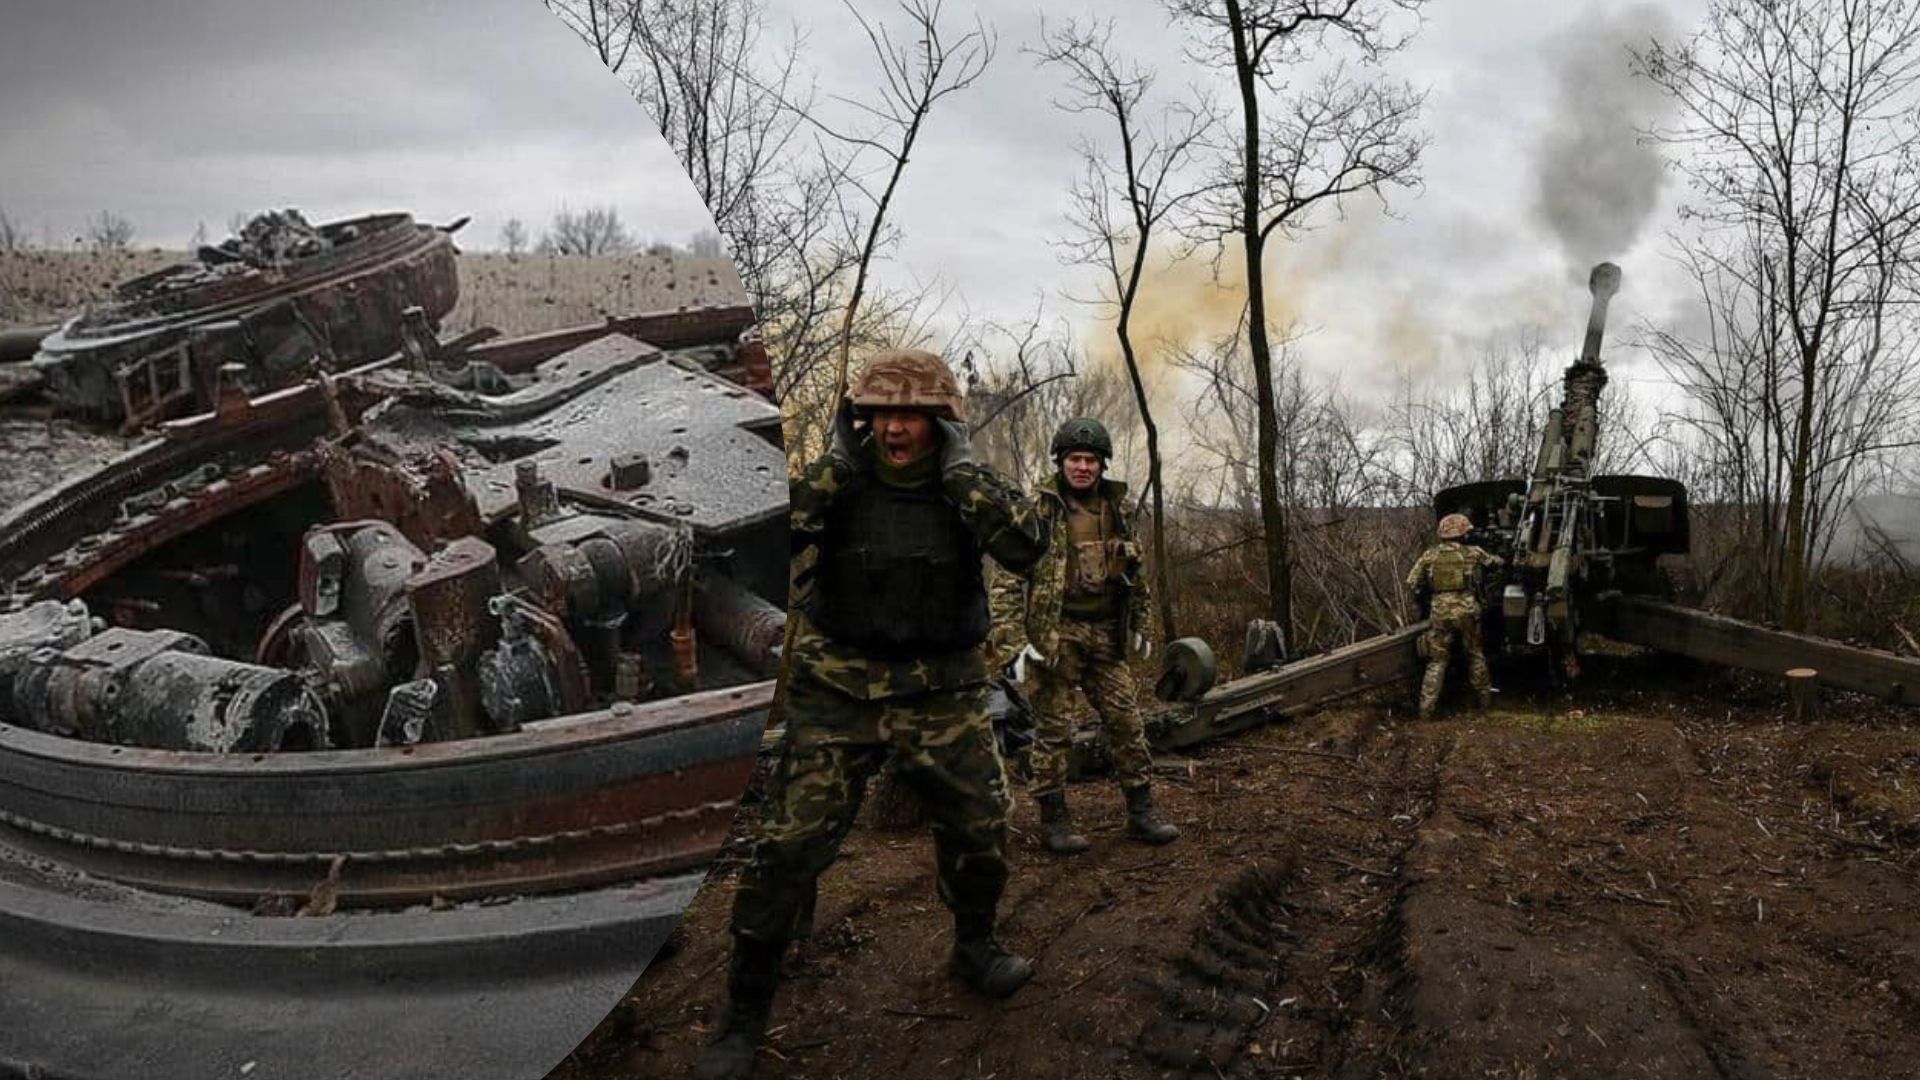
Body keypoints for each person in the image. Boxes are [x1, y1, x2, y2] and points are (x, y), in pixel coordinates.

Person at [696, 349, 1050, 1080]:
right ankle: (745, 1008)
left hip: (942, 688)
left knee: (983, 829)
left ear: (940, 423)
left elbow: (1027, 548)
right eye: (880, 414)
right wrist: (833, 469)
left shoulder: (964, 486)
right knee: (786, 846)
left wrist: (961, 475)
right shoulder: (839, 481)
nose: (894, 429)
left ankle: (974, 942)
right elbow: (770, 541)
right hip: (840, 687)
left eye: (911, 416)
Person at [989, 416, 1178, 857]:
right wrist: (1014, 643)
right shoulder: (1040, 509)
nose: (1082, 467)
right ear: (1061, 461)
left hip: (1106, 634)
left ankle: (1141, 811)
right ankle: (1054, 820)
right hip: (1056, 638)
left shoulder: (1117, 509)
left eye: (1090, 460)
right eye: (1074, 458)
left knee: (1127, 723)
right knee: (1055, 731)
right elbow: (1006, 579)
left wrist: (1141, 622)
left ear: (1101, 465)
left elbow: (1136, 570)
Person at [1405, 512, 1505, 720]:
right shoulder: (1473, 552)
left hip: (1440, 612)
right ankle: (1484, 701)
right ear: (1463, 533)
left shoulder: (1430, 555)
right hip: (1467, 609)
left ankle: (1426, 710)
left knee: (1437, 661)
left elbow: (1412, 582)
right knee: (1475, 653)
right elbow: (1497, 564)